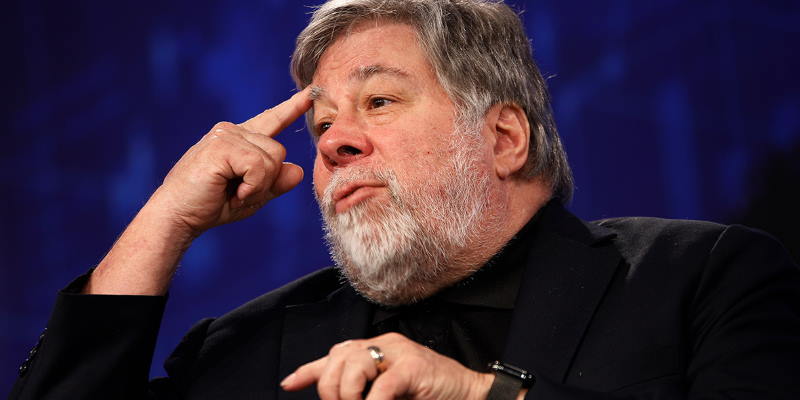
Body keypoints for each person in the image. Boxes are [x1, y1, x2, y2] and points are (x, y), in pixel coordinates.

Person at [10, 0, 800, 399]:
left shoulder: (701, 279)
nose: (333, 142)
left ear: (503, 137)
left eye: (379, 102)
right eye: (321, 124)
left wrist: (479, 395)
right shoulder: (250, 349)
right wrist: (166, 217)